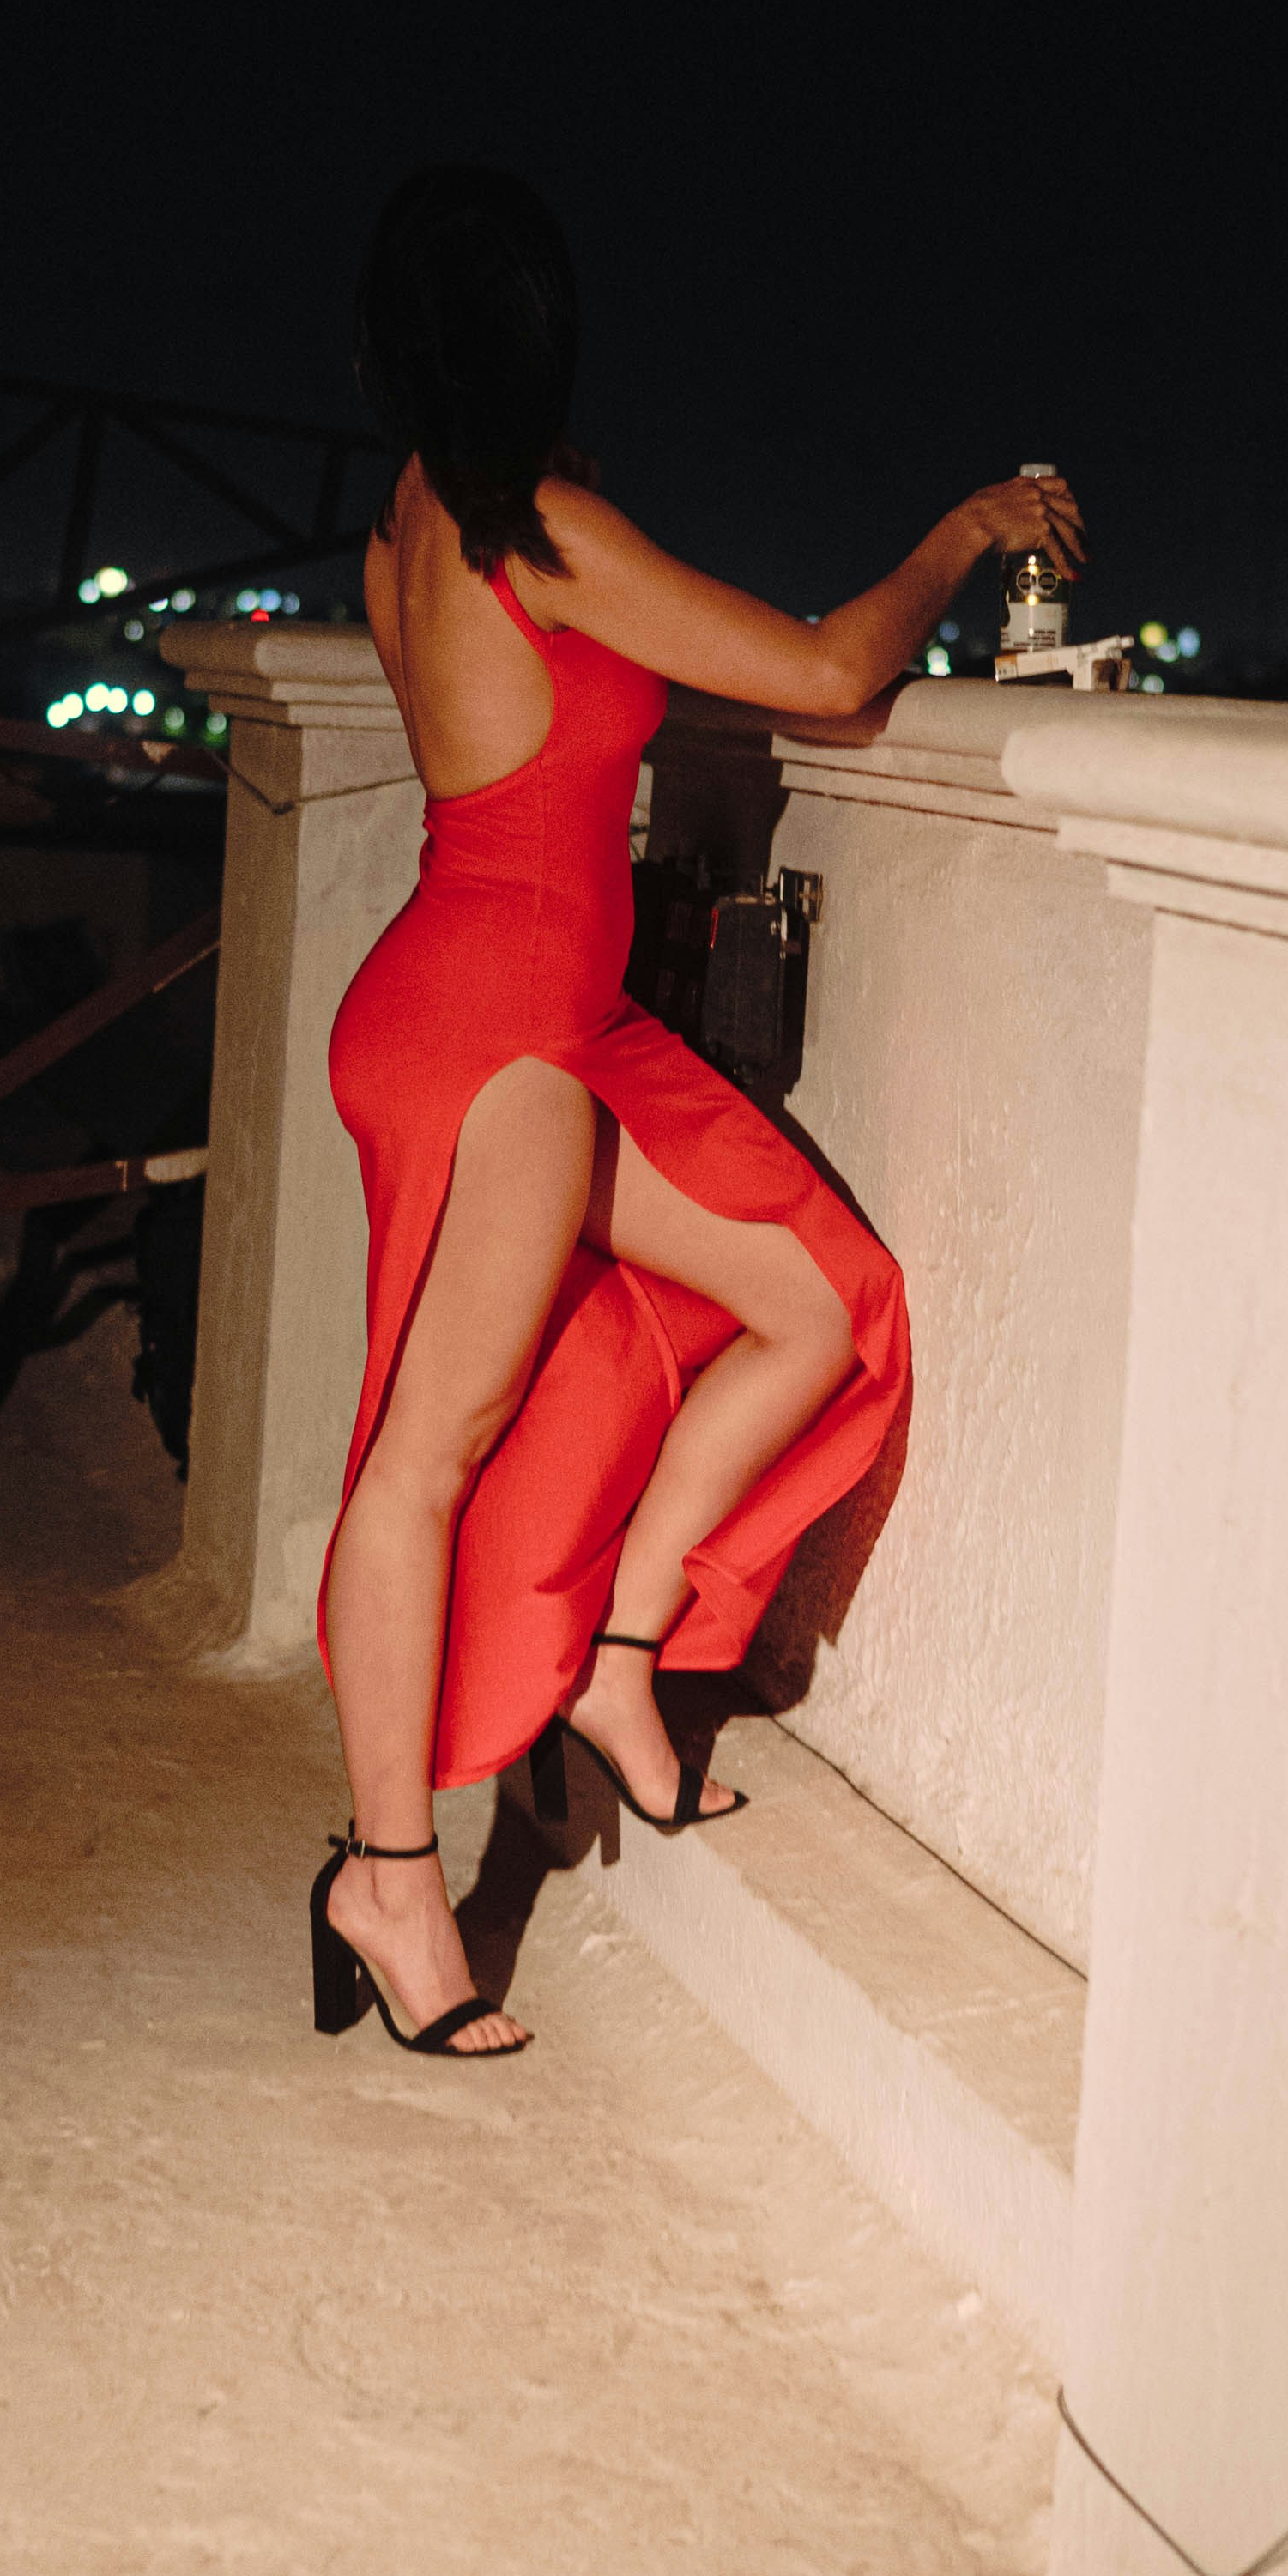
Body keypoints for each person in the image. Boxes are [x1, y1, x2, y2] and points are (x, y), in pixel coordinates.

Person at [310, 162, 1085, 2059]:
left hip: (511, 1010)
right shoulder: (537, 526)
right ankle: (388, 1877)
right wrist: (970, 527)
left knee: (817, 1304)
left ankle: (621, 1655)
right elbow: (828, 674)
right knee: (421, 1458)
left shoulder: (407, 520)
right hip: (506, 1043)